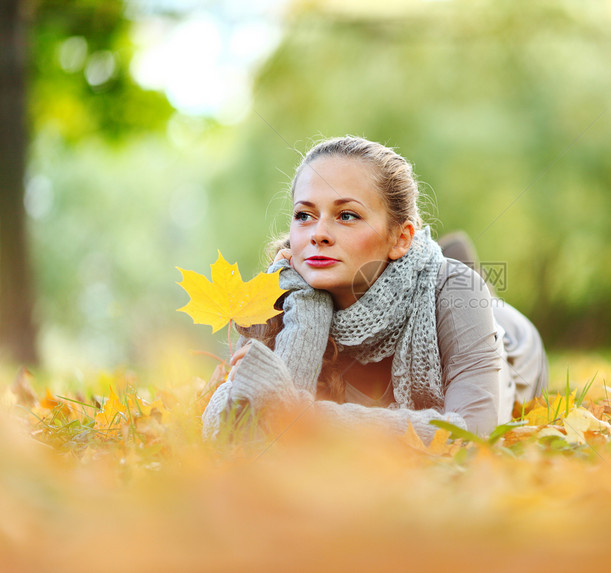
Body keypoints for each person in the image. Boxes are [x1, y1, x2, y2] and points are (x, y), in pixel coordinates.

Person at [202, 135, 548, 444]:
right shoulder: (282, 294)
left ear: (400, 238)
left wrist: (301, 417)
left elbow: (472, 434)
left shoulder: (457, 289)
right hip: (404, 282)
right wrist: (308, 307)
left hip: (513, 350)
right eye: (304, 216)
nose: (317, 234)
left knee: (464, 287)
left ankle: (449, 262)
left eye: (347, 216)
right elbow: (231, 425)